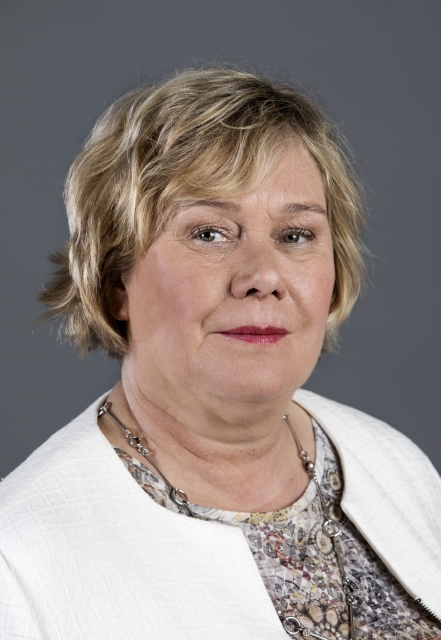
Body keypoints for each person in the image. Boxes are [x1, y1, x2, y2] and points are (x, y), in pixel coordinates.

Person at [0, 66, 440, 640]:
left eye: (295, 235)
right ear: (114, 281)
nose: (263, 276)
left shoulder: (394, 464)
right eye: (210, 233)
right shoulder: (19, 561)